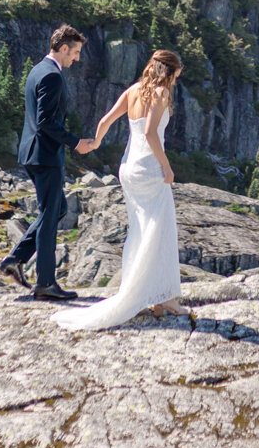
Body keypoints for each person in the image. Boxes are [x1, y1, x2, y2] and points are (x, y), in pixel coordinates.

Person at [54, 49, 185, 331]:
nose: (176, 80)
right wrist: (167, 167)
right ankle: (165, 300)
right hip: (149, 170)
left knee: (140, 229)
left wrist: (96, 143)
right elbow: (151, 133)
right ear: (170, 72)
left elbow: (105, 121)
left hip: (128, 169)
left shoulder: (134, 90)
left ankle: (150, 293)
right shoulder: (160, 93)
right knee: (160, 230)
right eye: (177, 75)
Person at [0, 25, 97, 301]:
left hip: (33, 153)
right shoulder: (52, 76)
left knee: (57, 208)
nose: (76, 58)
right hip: (45, 155)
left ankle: (14, 259)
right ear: (63, 48)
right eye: (75, 52)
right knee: (51, 213)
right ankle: (45, 282)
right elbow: (44, 121)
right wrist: (76, 143)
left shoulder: (37, 70)